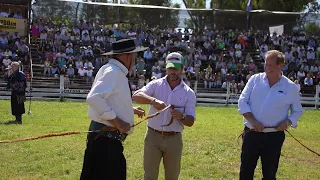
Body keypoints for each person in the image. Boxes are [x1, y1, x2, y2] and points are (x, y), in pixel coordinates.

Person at [80, 39, 147, 180]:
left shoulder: (111, 70)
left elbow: (109, 99)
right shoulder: (113, 72)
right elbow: (94, 98)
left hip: (105, 141)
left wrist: (129, 109)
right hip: (106, 142)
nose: (134, 61)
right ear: (128, 56)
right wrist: (118, 123)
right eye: (134, 57)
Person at [238, 50, 303, 180]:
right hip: (251, 133)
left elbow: (298, 111)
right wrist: (253, 120)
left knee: (269, 173)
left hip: (274, 137)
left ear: (281, 65)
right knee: (246, 171)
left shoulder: (291, 87)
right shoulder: (254, 80)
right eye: (266, 64)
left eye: (271, 65)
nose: (267, 68)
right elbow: (242, 101)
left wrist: (288, 122)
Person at [132, 52, 196, 180]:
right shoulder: (156, 85)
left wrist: (181, 116)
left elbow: (190, 121)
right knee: (150, 176)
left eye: (176, 69)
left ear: (182, 69)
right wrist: (153, 101)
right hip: (153, 137)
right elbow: (136, 95)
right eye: (170, 68)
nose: (172, 72)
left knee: (172, 176)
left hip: (174, 139)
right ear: (166, 68)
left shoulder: (189, 93)